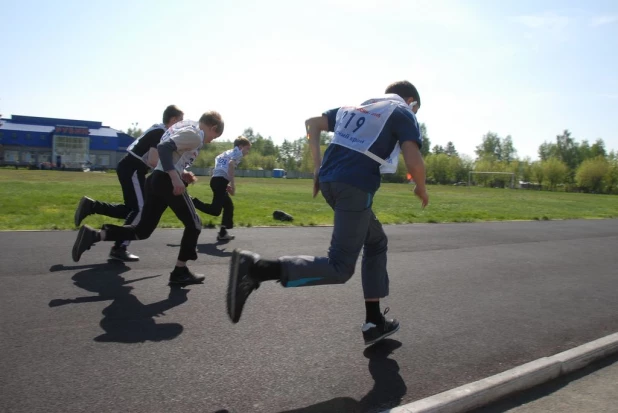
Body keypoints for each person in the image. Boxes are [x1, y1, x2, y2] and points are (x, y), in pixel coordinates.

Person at [226, 81, 429, 346]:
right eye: (417, 110)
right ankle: (257, 269)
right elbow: (413, 157)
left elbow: (312, 124)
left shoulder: (354, 108)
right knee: (341, 267)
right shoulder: (402, 112)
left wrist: (317, 167)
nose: (415, 114)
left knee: (376, 241)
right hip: (355, 185)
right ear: (411, 100)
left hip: (331, 183)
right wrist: (421, 188)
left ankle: (374, 321)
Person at [72, 112, 225, 286]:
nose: (211, 140)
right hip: (166, 181)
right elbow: (164, 147)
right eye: (215, 136)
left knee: (142, 231)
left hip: (154, 181)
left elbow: (168, 151)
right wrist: (175, 177)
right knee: (194, 224)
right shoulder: (196, 135)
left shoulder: (189, 130)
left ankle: (95, 235)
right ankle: (179, 271)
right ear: (213, 127)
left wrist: (179, 173)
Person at [73, 105, 184, 262]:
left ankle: (92, 206)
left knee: (131, 210)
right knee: (140, 210)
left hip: (130, 167)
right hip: (133, 169)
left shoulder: (158, 129)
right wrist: (172, 171)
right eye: (180, 121)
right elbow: (153, 160)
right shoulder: (161, 133)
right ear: (173, 120)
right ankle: (119, 247)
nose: (181, 125)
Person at [192, 136, 251, 241]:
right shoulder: (238, 153)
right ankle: (192, 201)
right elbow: (231, 164)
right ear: (241, 146)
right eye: (247, 148)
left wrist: (224, 182)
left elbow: (219, 164)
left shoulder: (227, 153)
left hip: (217, 181)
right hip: (219, 182)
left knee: (228, 206)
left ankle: (223, 233)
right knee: (215, 211)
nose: (248, 152)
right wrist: (232, 184)